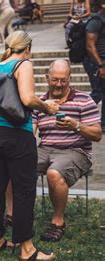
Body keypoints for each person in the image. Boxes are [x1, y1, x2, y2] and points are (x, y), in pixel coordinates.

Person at [0, 31, 59, 261]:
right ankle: (26, 248)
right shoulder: (24, 65)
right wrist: (47, 107)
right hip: (18, 137)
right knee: (23, 190)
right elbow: (29, 99)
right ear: (27, 47)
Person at [33, 59, 102, 242]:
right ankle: (12, 214)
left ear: (70, 79)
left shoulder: (84, 100)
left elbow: (97, 135)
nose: (59, 84)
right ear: (47, 78)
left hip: (76, 151)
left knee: (54, 173)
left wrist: (76, 125)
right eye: (55, 79)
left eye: (63, 80)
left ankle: (58, 222)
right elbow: (30, 131)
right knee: (15, 163)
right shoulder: (40, 102)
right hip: (45, 148)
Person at [84, 1, 105, 132]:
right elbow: (89, 45)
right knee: (97, 92)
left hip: (102, 61)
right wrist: (100, 65)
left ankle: (103, 124)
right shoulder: (96, 21)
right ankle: (78, 114)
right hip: (96, 62)